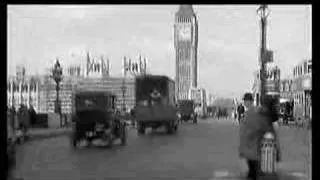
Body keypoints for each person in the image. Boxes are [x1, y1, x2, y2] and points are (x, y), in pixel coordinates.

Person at [239, 94, 281, 180]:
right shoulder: (262, 116)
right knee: (256, 172)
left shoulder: (255, 112)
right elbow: (269, 134)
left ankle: (252, 174)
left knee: (253, 171)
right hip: (254, 150)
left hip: (251, 148)